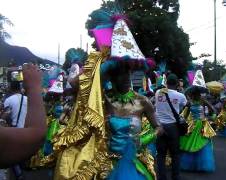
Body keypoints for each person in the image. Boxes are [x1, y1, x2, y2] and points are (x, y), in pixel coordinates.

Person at [52, 11, 162, 180]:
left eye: (127, 72)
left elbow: (159, 127)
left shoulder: (143, 101)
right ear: (110, 75)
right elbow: (75, 85)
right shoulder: (103, 98)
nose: (124, 77)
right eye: (118, 72)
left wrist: (143, 140)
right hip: (105, 165)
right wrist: (101, 64)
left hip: (133, 164)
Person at [0, 64, 47, 167]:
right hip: (24, 133)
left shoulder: (8, 100)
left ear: (9, 85)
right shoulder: (27, 99)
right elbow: (38, 134)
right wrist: (34, 87)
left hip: (16, 133)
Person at [155, 74, 187, 180]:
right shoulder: (180, 96)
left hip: (159, 127)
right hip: (173, 127)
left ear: (166, 82)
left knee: (161, 155)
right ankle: (175, 177)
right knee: (175, 154)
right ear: (177, 84)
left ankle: (162, 177)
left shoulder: (158, 93)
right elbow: (182, 107)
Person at [179, 84, 216, 172]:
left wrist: (210, 117)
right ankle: (196, 164)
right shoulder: (191, 102)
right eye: (195, 94)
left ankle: (194, 165)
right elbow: (185, 114)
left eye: (195, 94)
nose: (195, 95)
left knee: (195, 143)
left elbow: (213, 110)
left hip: (199, 125)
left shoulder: (200, 101)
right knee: (196, 143)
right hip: (196, 124)